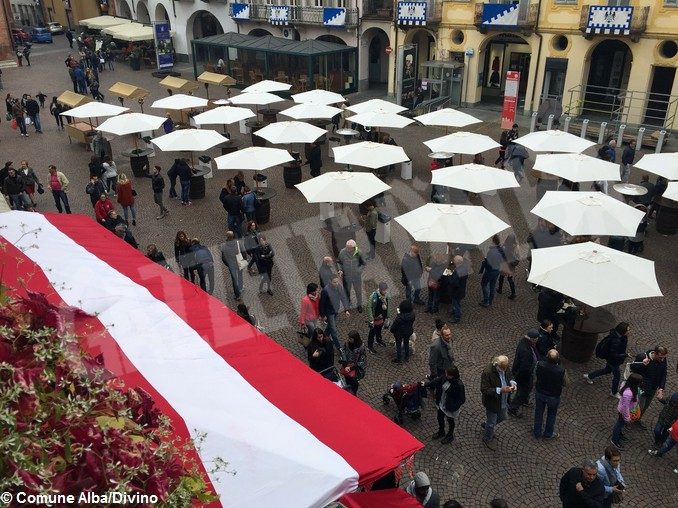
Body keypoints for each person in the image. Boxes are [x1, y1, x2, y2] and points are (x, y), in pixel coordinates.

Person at [584, 322, 630, 397]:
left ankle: (589, 376)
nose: (629, 331)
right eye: (627, 330)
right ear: (622, 331)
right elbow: (614, 354)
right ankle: (614, 392)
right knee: (617, 376)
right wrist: (625, 355)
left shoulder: (621, 337)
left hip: (611, 360)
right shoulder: (617, 340)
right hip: (613, 361)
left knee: (607, 370)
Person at [481, 355, 516, 450]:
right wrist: (500, 390)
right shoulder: (487, 372)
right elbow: (484, 389)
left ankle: (487, 425)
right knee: (492, 422)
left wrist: (512, 383)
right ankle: (487, 438)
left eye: (505, 368)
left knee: (503, 417)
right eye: (502, 368)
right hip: (493, 402)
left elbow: (510, 376)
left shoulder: (505, 367)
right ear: (497, 365)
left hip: (503, 400)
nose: (504, 370)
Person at [424, 366, 465, 444]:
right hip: (442, 403)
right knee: (439, 417)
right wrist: (426, 384)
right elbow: (437, 380)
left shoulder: (459, 385)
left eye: (448, 374)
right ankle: (441, 431)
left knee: (450, 421)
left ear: (453, 375)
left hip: (450, 407)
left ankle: (450, 435)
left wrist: (454, 407)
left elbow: (462, 399)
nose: (446, 375)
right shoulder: (445, 377)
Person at [533, 349, 567, 439]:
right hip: (553, 395)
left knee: (538, 412)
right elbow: (566, 383)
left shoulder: (540, 365)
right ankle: (548, 433)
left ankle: (537, 432)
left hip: (540, 392)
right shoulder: (561, 370)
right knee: (551, 415)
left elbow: (535, 374)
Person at [630, 345, 668, 421]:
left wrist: (661, 388)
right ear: (655, 353)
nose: (662, 359)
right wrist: (643, 365)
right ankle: (628, 419)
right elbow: (633, 368)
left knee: (645, 407)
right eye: (660, 357)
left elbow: (663, 374)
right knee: (636, 406)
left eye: (664, 357)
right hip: (641, 388)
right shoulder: (642, 357)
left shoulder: (663, 359)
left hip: (652, 389)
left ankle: (637, 419)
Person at [508, 329, 539, 418]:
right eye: (536, 338)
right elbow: (524, 369)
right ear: (533, 339)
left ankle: (525, 400)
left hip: (526, 374)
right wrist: (521, 378)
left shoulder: (525, 342)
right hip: (524, 376)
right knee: (522, 392)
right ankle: (513, 409)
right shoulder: (526, 351)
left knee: (527, 388)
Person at [319, 275, 350, 352]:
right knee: (333, 330)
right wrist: (323, 315)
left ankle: (323, 338)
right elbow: (321, 304)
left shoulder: (339, 287)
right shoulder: (325, 291)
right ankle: (338, 347)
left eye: (337, 281)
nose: (336, 283)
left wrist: (346, 310)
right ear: (330, 281)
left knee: (329, 327)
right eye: (334, 282)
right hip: (329, 312)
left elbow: (343, 297)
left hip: (336, 310)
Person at [611, 373, 642, 448]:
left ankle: (619, 435)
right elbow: (625, 407)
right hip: (624, 412)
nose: (641, 383)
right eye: (640, 382)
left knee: (621, 424)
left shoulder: (629, 387)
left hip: (625, 410)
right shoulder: (628, 393)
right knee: (619, 424)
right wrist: (627, 418)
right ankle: (614, 440)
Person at [337, 239, 366, 312]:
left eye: (348, 248)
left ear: (353, 248)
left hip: (356, 277)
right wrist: (339, 270)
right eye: (346, 247)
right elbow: (338, 262)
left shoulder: (359, 253)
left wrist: (359, 270)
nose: (347, 249)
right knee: (346, 292)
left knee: (358, 291)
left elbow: (364, 263)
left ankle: (359, 305)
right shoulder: (342, 252)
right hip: (346, 277)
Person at [480, 235, 505, 308]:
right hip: (497, 270)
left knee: (484, 284)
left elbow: (488, 262)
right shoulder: (501, 249)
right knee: (492, 286)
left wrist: (485, 260)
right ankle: (490, 301)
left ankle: (486, 301)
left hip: (490, 270)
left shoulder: (491, 251)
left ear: (493, 241)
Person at [220, 230, 246, 301]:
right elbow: (244, 253)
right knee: (240, 274)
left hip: (231, 265)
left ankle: (237, 295)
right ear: (233, 236)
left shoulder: (224, 246)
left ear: (227, 237)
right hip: (239, 262)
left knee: (234, 280)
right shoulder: (239, 243)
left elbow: (223, 258)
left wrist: (228, 265)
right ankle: (241, 287)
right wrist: (243, 260)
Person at [366, 282, 389, 354]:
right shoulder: (373, 296)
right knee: (372, 332)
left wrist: (388, 316)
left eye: (385, 290)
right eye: (384, 290)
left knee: (379, 330)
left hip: (382, 317)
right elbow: (369, 307)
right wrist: (371, 319)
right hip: (375, 318)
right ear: (380, 289)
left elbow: (388, 305)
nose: (385, 291)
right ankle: (370, 346)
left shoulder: (386, 295)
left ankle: (379, 340)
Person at [389, 299, 415, 364]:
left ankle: (399, 359)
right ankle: (406, 357)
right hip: (408, 332)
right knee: (406, 344)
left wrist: (399, 315)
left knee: (398, 346)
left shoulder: (399, 317)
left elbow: (393, 327)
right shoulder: (412, 315)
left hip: (399, 334)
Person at [341, 331, 366, 395]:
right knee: (347, 379)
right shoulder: (347, 344)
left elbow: (362, 360)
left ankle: (353, 393)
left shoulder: (361, 347)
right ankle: (348, 391)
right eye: (349, 338)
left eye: (351, 339)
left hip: (355, 368)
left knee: (354, 382)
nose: (349, 340)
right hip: (346, 366)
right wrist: (345, 363)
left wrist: (351, 367)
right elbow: (343, 351)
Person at [497, 233, 520, 300]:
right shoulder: (516, 247)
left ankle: (500, 289)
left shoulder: (505, 246)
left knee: (502, 276)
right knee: (509, 277)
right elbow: (518, 257)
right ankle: (513, 293)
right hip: (511, 264)